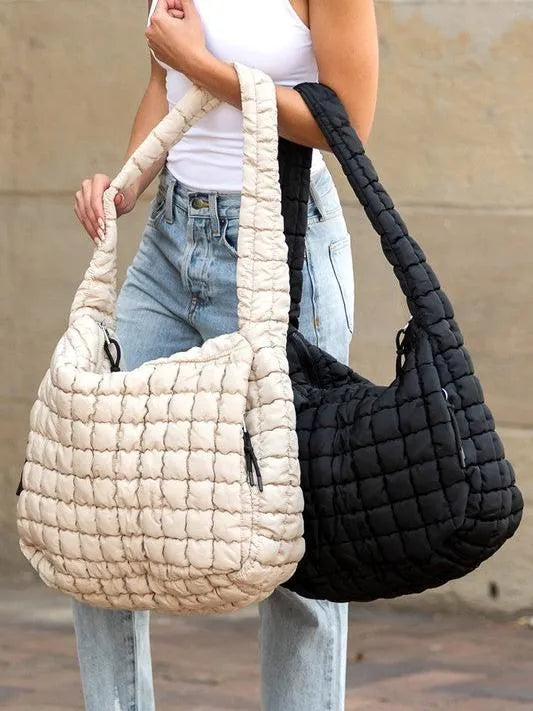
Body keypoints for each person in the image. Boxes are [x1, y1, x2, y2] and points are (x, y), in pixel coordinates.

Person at [73, 1, 378, 709]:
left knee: (298, 543)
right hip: (170, 241)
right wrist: (127, 181)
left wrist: (202, 64)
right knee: (97, 510)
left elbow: (346, 122)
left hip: (279, 243)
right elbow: (164, 84)